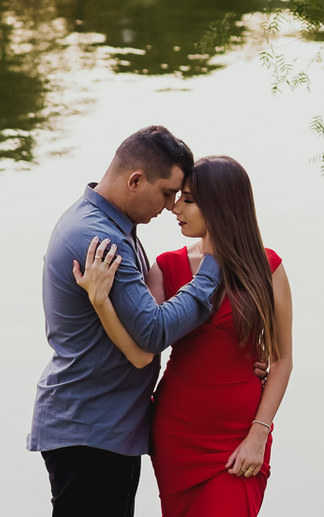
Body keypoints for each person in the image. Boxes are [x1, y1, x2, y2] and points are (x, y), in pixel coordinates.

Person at [28, 126, 233, 517]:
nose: (171, 206)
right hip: (90, 430)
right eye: (168, 193)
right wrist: (211, 270)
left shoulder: (108, 225)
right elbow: (153, 330)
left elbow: (142, 341)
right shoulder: (98, 238)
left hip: (106, 429)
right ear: (135, 180)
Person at [75, 155, 293, 517]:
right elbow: (142, 352)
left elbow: (282, 360)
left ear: (221, 205)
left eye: (188, 200)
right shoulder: (167, 266)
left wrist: (259, 434)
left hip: (240, 435)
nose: (175, 208)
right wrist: (100, 301)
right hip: (177, 435)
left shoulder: (268, 268)